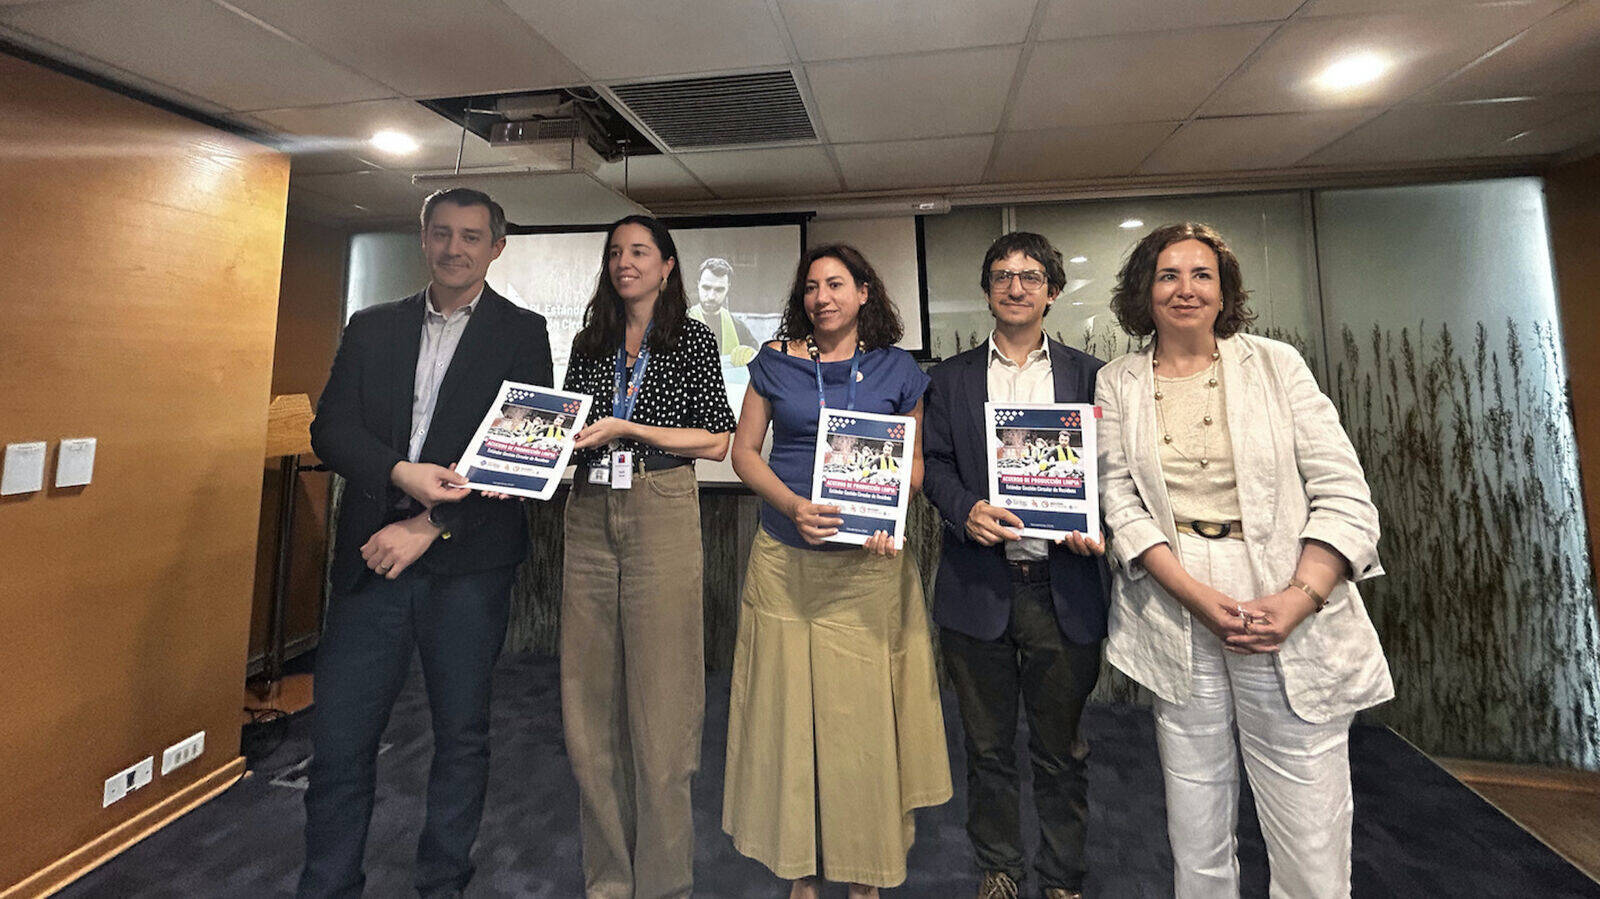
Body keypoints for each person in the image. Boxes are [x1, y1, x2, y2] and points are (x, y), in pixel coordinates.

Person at [1096, 222, 1391, 898]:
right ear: (1145, 291)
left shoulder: (1276, 365)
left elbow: (1344, 493)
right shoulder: (1118, 381)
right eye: (1168, 275)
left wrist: (1300, 597)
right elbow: (1120, 501)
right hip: (1176, 598)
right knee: (1194, 815)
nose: (1185, 288)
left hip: (1285, 595)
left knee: (1308, 819)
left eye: (1201, 274)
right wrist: (1194, 594)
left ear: (1224, 290)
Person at [300, 188, 553, 898]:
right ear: (423, 238)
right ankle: (327, 886)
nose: (454, 248)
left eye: (471, 236)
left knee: (461, 738)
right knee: (339, 743)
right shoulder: (372, 326)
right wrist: (399, 471)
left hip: (468, 566)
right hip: (371, 561)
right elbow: (330, 430)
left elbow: (518, 458)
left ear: (496, 248)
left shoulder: (522, 332)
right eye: (442, 233)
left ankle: (443, 883)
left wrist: (428, 525)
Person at [723, 244, 951, 899]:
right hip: (785, 564)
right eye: (811, 286)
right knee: (788, 717)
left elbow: (913, 464)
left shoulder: (897, 368)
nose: (822, 297)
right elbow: (744, 452)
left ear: (864, 293)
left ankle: (863, 870)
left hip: (867, 568)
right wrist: (792, 505)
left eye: (836, 284)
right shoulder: (773, 362)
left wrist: (888, 511)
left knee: (861, 724)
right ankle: (798, 867)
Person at [922, 232, 1108, 899]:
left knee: (1062, 751)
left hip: (1064, 588)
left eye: (1030, 276)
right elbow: (933, 465)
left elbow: (1117, 469)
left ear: (1052, 292)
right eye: (1002, 275)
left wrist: (1096, 521)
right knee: (987, 749)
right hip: (979, 587)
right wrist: (964, 508)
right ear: (987, 290)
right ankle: (998, 867)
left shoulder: (1093, 376)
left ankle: (1061, 876)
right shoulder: (949, 378)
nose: (1015, 286)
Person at [559, 215, 736, 899]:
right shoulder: (590, 341)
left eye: (638, 251)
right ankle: (608, 882)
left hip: (660, 502)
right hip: (587, 506)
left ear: (667, 266)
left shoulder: (690, 337)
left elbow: (716, 440)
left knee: (663, 709)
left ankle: (664, 886)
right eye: (614, 252)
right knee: (589, 708)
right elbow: (568, 428)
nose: (623, 262)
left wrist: (628, 425)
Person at [689, 256, 758, 365]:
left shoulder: (739, 328)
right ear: (698, 285)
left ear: (728, 288)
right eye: (706, 288)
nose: (711, 296)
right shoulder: (678, 325)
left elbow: (757, 360)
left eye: (719, 290)